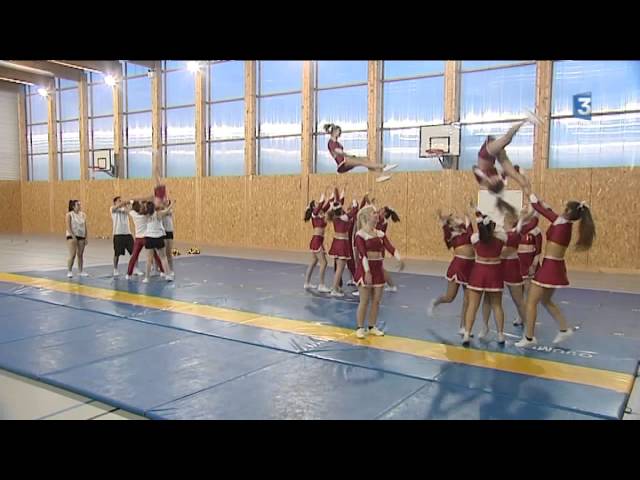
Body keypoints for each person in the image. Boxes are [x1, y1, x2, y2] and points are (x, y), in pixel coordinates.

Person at [515, 190, 596, 347]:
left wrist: (531, 196)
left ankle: (529, 338)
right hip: (556, 265)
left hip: (550, 267)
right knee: (545, 300)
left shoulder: (561, 222)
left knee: (531, 301)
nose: (562, 209)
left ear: (568, 211)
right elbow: (549, 211)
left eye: (565, 208)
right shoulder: (566, 224)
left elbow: (543, 211)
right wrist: (541, 201)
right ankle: (564, 329)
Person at [353, 205, 404, 339]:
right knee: (364, 300)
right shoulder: (360, 235)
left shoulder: (380, 234)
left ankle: (372, 326)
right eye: (374, 213)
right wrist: (367, 272)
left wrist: (399, 259)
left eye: (377, 213)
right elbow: (363, 255)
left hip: (378, 269)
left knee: (376, 301)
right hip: (365, 269)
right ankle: (359, 327)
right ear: (366, 216)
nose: (377, 215)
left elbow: (390, 248)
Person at [462, 205, 508, 346]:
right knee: (497, 305)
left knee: (472, 306)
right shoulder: (501, 237)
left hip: (479, 272)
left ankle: (467, 334)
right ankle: (500, 335)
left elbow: (473, 230)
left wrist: (471, 216)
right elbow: (498, 231)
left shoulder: (475, 238)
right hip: (494, 272)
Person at [428, 210, 475, 335]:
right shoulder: (452, 234)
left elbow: (471, 232)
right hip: (458, 267)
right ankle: (435, 302)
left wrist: (467, 216)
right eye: (453, 218)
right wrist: (443, 223)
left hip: (470, 267)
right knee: (449, 298)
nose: (456, 218)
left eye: (457, 217)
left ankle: (463, 327)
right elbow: (447, 240)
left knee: (468, 299)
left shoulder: (467, 231)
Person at [472, 112, 541, 196]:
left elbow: (474, 168)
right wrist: (519, 170)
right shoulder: (500, 178)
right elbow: (509, 171)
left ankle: (526, 119)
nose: (496, 178)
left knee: (506, 139)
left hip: (486, 154)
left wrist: (486, 178)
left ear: (492, 184)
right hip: (496, 156)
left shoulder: (483, 182)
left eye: (495, 180)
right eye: (497, 180)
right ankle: (532, 200)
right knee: (518, 178)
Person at [324, 123, 397, 182]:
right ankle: (384, 166)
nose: (340, 134)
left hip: (346, 160)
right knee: (362, 162)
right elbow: (338, 151)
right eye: (339, 132)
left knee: (365, 159)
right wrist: (349, 155)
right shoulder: (331, 142)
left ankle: (379, 175)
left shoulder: (337, 142)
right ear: (334, 132)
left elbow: (341, 151)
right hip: (342, 163)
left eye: (340, 132)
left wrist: (352, 156)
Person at [126, 200, 165, 279]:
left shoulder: (133, 214)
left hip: (138, 239)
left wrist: (130, 202)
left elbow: (128, 209)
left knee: (134, 256)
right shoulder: (146, 214)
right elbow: (154, 208)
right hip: (146, 238)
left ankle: (128, 274)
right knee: (155, 255)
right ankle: (163, 271)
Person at [303, 190, 332, 292]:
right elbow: (321, 205)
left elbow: (327, 204)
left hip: (319, 240)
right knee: (324, 263)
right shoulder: (314, 214)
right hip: (316, 240)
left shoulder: (321, 213)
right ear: (313, 207)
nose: (318, 205)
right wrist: (322, 196)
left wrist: (333, 193)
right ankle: (321, 284)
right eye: (315, 204)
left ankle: (306, 283)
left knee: (314, 262)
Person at [142, 200, 174, 283]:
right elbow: (167, 210)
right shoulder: (158, 214)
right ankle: (168, 275)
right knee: (163, 257)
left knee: (149, 259)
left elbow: (142, 209)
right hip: (158, 237)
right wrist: (172, 204)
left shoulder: (146, 215)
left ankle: (147, 278)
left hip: (149, 237)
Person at [377, 206, 401, 292]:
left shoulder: (381, 222)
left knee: (379, 269)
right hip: (376, 248)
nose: (378, 210)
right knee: (378, 269)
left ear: (384, 214)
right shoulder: (380, 220)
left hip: (377, 249)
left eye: (381, 210)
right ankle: (391, 286)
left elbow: (388, 245)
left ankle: (364, 288)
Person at [110, 196, 135, 277]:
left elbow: (129, 210)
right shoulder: (113, 209)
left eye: (121, 200)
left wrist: (129, 203)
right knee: (117, 253)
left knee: (134, 252)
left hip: (127, 233)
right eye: (119, 201)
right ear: (115, 202)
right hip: (118, 234)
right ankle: (115, 269)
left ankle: (136, 268)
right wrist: (123, 203)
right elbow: (115, 208)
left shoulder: (124, 209)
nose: (121, 202)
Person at [65, 200, 88, 278]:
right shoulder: (69, 215)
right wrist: (73, 235)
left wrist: (86, 237)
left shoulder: (83, 215)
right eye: (78, 205)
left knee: (80, 255)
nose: (79, 206)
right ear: (73, 206)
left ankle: (80, 271)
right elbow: (68, 226)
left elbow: (85, 227)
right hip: (72, 235)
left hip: (81, 236)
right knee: (72, 255)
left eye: (80, 204)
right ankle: (69, 271)